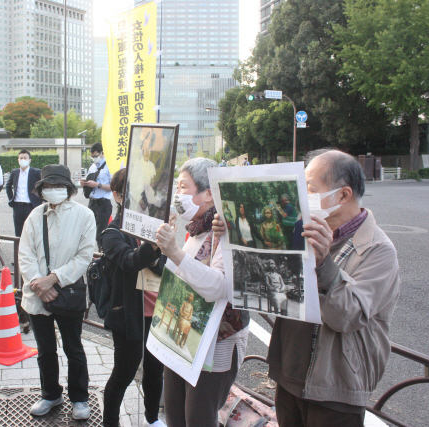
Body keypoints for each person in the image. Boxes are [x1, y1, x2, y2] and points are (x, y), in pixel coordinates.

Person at [213, 149, 400, 427]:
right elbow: (266, 289)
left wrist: (324, 263)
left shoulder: (377, 250)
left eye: (309, 188)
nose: (302, 195)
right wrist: (233, 238)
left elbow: (346, 316)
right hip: (290, 372)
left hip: (335, 385)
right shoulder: (301, 231)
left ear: (343, 195)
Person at [154, 157, 249, 427]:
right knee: (175, 414)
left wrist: (173, 252)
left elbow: (218, 287)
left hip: (216, 343)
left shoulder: (226, 229)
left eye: (183, 186)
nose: (177, 194)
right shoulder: (195, 229)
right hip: (183, 335)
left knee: (198, 417)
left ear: (208, 193)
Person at [18, 164, 95, 420]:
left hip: (68, 291)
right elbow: (25, 254)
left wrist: (54, 279)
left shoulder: (84, 215)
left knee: (73, 348)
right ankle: (50, 394)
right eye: (48, 186)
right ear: (41, 189)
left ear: (70, 189)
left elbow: (84, 256)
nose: (53, 190)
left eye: (59, 186)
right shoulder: (34, 216)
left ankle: (80, 398)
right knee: (45, 349)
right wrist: (39, 284)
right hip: (38, 293)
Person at [101, 168, 166, 427]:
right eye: (132, 190)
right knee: (124, 372)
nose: (142, 196)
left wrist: (159, 245)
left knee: (154, 371)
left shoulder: (154, 226)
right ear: (117, 196)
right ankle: (111, 422)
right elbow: (129, 262)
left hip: (157, 311)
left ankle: (152, 419)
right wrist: (153, 246)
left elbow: (163, 267)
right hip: (128, 313)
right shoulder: (112, 233)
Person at [80, 142, 112, 245]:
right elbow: (90, 181)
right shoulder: (92, 166)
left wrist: (98, 185)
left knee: (100, 234)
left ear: (102, 153)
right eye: (92, 156)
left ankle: (102, 255)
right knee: (88, 231)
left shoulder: (109, 166)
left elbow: (113, 187)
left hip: (103, 204)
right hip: (92, 202)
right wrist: (84, 183)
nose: (94, 158)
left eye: (96, 156)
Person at [6, 149, 43, 237]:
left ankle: (32, 249)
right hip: (17, 205)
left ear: (29, 160)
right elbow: (8, 186)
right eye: (21, 158)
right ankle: (19, 249)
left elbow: (43, 186)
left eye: (25, 158)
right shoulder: (15, 172)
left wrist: (42, 200)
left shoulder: (36, 172)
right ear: (18, 160)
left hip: (31, 205)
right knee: (18, 230)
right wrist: (11, 199)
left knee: (32, 229)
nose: (23, 160)